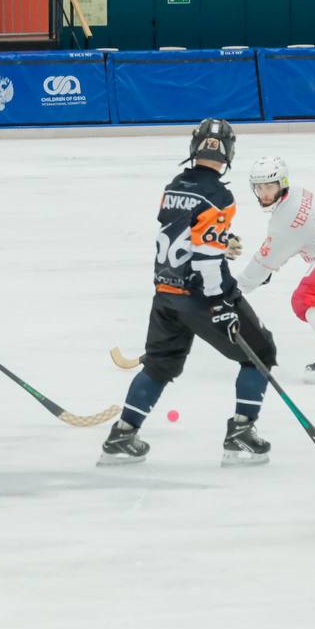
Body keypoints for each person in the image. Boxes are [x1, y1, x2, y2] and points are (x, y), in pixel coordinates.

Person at [98, 118, 278, 468]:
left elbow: (183, 233)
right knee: (260, 352)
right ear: (229, 152)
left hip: (165, 291)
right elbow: (208, 260)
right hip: (202, 296)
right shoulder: (220, 196)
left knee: (160, 365)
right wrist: (221, 304)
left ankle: (122, 434)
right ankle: (241, 432)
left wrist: (221, 242)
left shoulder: (175, 185)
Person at [235, 156, 315, 384]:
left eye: (269, 187)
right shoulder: (297, 192)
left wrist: (234, 289)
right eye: (259, 187)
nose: (264, 193)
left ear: (281, 183)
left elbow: (263, 262)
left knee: (305, 299)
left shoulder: (285, 220)